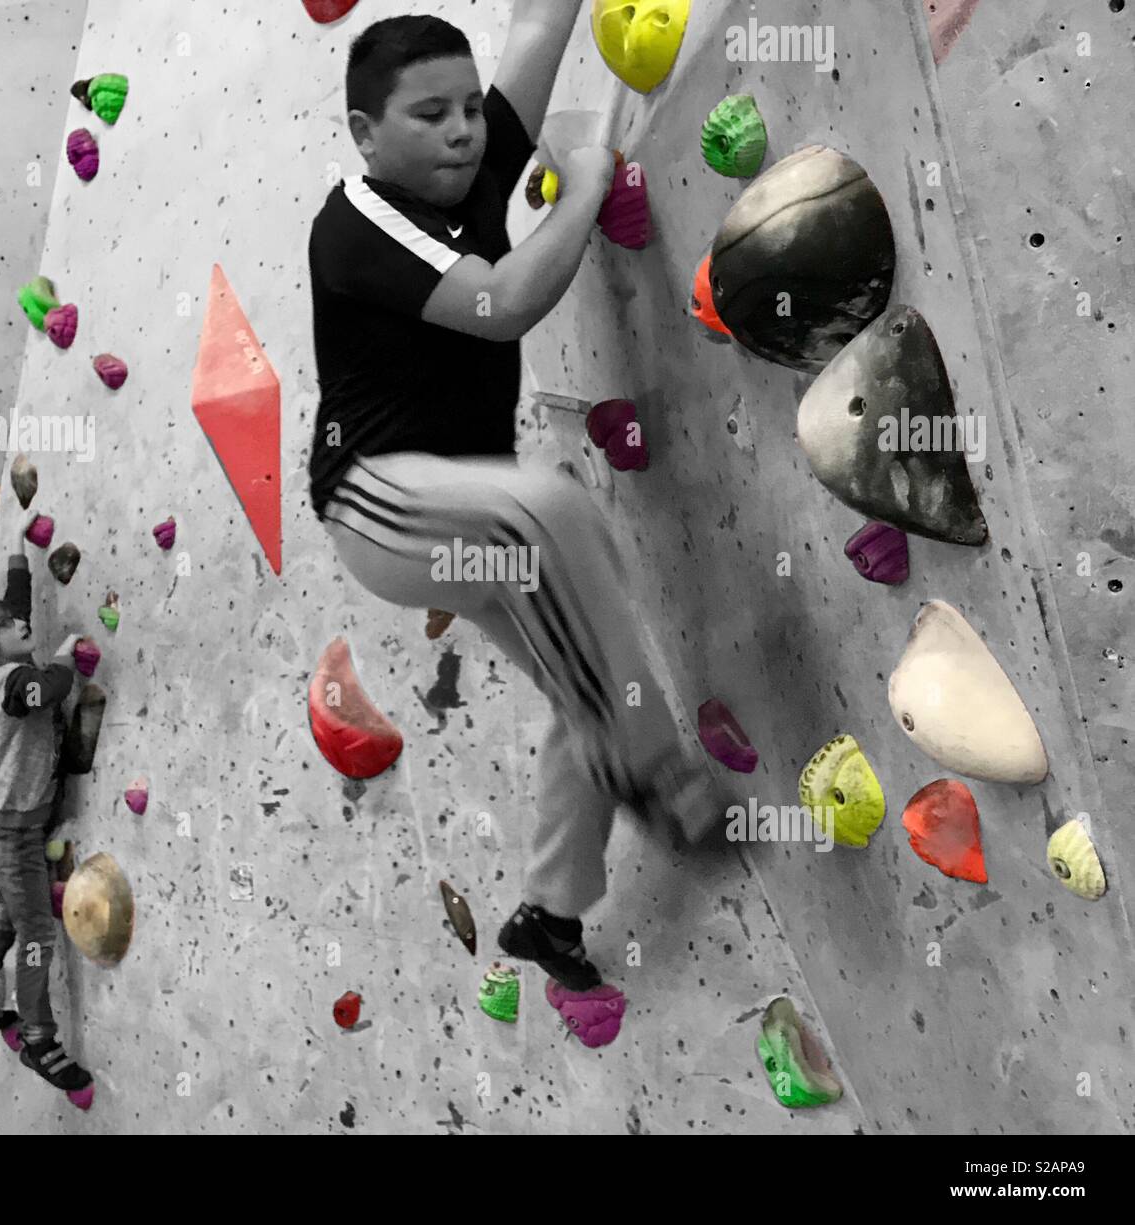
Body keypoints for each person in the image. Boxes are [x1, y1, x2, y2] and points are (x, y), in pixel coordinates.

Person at [307, 6, 717, 991]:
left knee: (581, 689)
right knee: (556, 507)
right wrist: (581, 185)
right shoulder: (355, 222)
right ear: (367, 136)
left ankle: (551, 912)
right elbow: (502, 302)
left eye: (466, 110)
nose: (460, 131)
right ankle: (657, 770)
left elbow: (541, 24)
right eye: (426, 116)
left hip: (475, 517)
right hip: (379, 504)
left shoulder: (480, 158)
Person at [0, 515, 91, 1095]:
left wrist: (17, 556)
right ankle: (38, 1040)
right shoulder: (12, 683)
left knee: (12, 911)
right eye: (8, 626)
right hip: (16, 830)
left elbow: (14, 607)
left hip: (11, 823)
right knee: (36, 930)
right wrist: (63, 654)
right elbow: (50, 689)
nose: (20, 623)